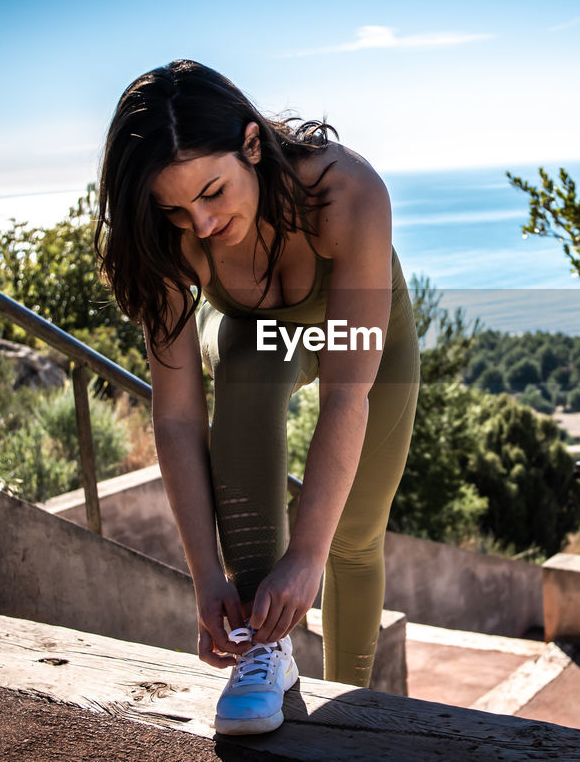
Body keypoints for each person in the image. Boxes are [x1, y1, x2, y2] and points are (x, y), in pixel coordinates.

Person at [94, 60, 419, 735]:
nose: (203, 224)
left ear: (250, 144)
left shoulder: (345, 192)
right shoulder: (167, 240)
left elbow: (344, 394)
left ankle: (350, 710)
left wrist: (306, 555)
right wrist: (205, 574)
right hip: (255, 332)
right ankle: (262, 650)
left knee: (352, 537)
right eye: (177, 208)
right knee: (245, 369)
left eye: (213, 192)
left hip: (353, 330)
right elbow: (178, 415)